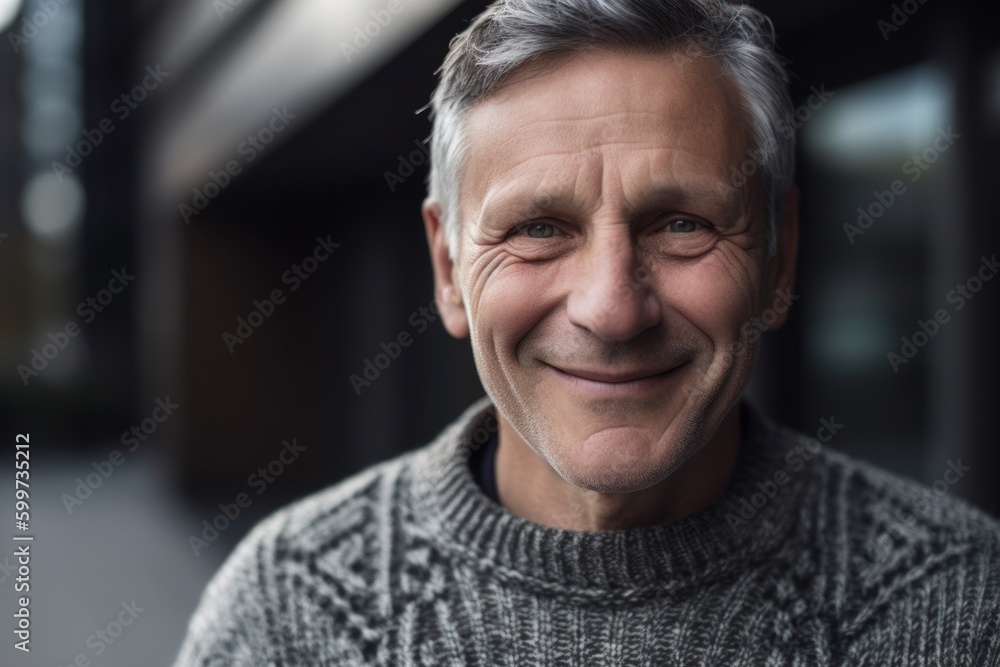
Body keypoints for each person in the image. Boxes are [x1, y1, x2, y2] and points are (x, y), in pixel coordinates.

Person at [173, 0, 1000, 664]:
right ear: (449, 267)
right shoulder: (284, 605)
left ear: (779, 258)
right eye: (538, 227)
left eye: (681, 222)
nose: (611, 308)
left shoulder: (964, 602)